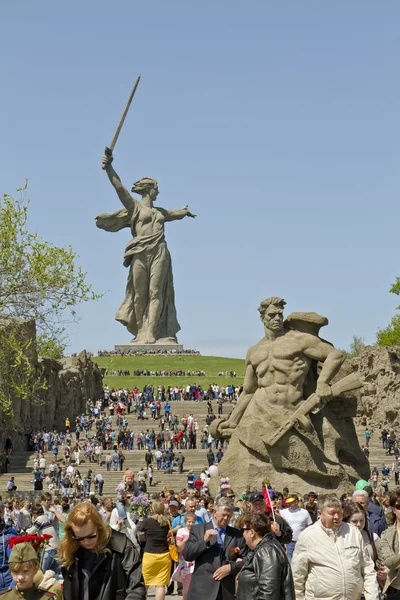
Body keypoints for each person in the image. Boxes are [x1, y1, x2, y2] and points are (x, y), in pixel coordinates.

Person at [99, 149, 196, 344]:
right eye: (156, 188)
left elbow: (174, 213)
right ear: (148, 189)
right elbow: (119, 189)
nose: (158, 192)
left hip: (159, 251)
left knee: (156, 292)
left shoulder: (160, 212)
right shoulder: (135, 207)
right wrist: (109, 168)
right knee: (139, 293)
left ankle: (151, 332)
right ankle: (140, 331)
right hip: (139, 253)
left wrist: (185, 212)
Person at [291, 494, 379, 600]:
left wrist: (373, 597)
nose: (337, 517)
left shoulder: (353, 532)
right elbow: (297, 578)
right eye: (332, 513)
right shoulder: (307, 536)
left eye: (339, 512)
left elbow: (368, 569)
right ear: (320, 513)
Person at [59, 501, 145, 600]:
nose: (86, 542)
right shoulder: (71, 549)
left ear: (99, 528)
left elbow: (137, 587)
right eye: (79, 538)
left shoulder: (121, 545)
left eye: (91, 536)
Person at [183, 497, 246, 600]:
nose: (226, 518)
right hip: (202, 591)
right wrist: (204, 541)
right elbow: (188, 555)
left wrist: (232, 567)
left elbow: (248, 559)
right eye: (223, 515)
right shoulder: (198, 530)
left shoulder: (237, 534)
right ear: (215, 512)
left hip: (227, 591)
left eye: (229, 516)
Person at [236, 511, 295, 600]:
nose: (242, 534)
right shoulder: (263, 548)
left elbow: (269, 593)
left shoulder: (266, 551)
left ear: (251, 532)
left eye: (243, 530)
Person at [1, 535, 63, 600]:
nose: (20, 577)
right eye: (15, 572)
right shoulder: (3, 597)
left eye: (25, 571)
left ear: (36, 569)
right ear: (10, 572)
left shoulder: (45, 598)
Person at [342, 501, 387, 589]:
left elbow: (383, 561)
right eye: (354, 521)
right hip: (348, 589)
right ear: (346, 521)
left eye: (362, 520)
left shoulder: (373, 538)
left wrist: (384, 572)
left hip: (370, 587)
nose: (359, 524)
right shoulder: (340, 539)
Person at [137, 500, 171, 600]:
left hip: (149, 555)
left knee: (145, 583)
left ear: (152, 510)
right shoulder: (166, 522)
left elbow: (140, 531)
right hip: (164, 555)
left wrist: (140, 521)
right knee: (160, 585)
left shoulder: (147, 522)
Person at [380, 488, 400, 598]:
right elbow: (388, 562)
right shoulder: (386, 535)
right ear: (393, 509)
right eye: (399, 507)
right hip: (395, 590)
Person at [280, 494, 312, 562]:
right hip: (289, 541)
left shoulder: (304, 512)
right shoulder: (283, 512)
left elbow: (309, 526)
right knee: (290, 560)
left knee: (301, 560)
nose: (289, 504)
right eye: (288, 503)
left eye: (291, 502)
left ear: (296, 502)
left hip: (302, 541)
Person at [171, 513, 196, 600]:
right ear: (185, 522)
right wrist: (186, 539)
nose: (191, 524)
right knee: (186, 588)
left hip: (195, 562)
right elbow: (178, 548)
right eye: (189, 522)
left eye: (193, 522)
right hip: (184, 562)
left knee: (195, 587)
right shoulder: (181, 531)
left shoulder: (196, 531)